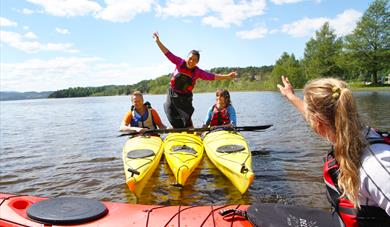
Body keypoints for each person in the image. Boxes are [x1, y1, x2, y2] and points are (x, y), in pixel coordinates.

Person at [277, 76, 390, 226]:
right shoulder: (350, 132)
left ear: (318, 124)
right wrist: (291, 96)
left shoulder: (375, 166)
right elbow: (313, 115)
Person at [153, 32, 237, 128]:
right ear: (187, 58)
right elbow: (167, 53)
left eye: (195, 60)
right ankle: (178, 131)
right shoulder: (179, 62)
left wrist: (227, 76)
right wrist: (158, 41)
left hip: (185, 97)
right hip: (173, 93)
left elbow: (212, 76)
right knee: (169, 111)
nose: (192, 61)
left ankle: (191, 131)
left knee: (186, 118)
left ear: (197, 62)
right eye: (190, 58)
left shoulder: (197, 72)